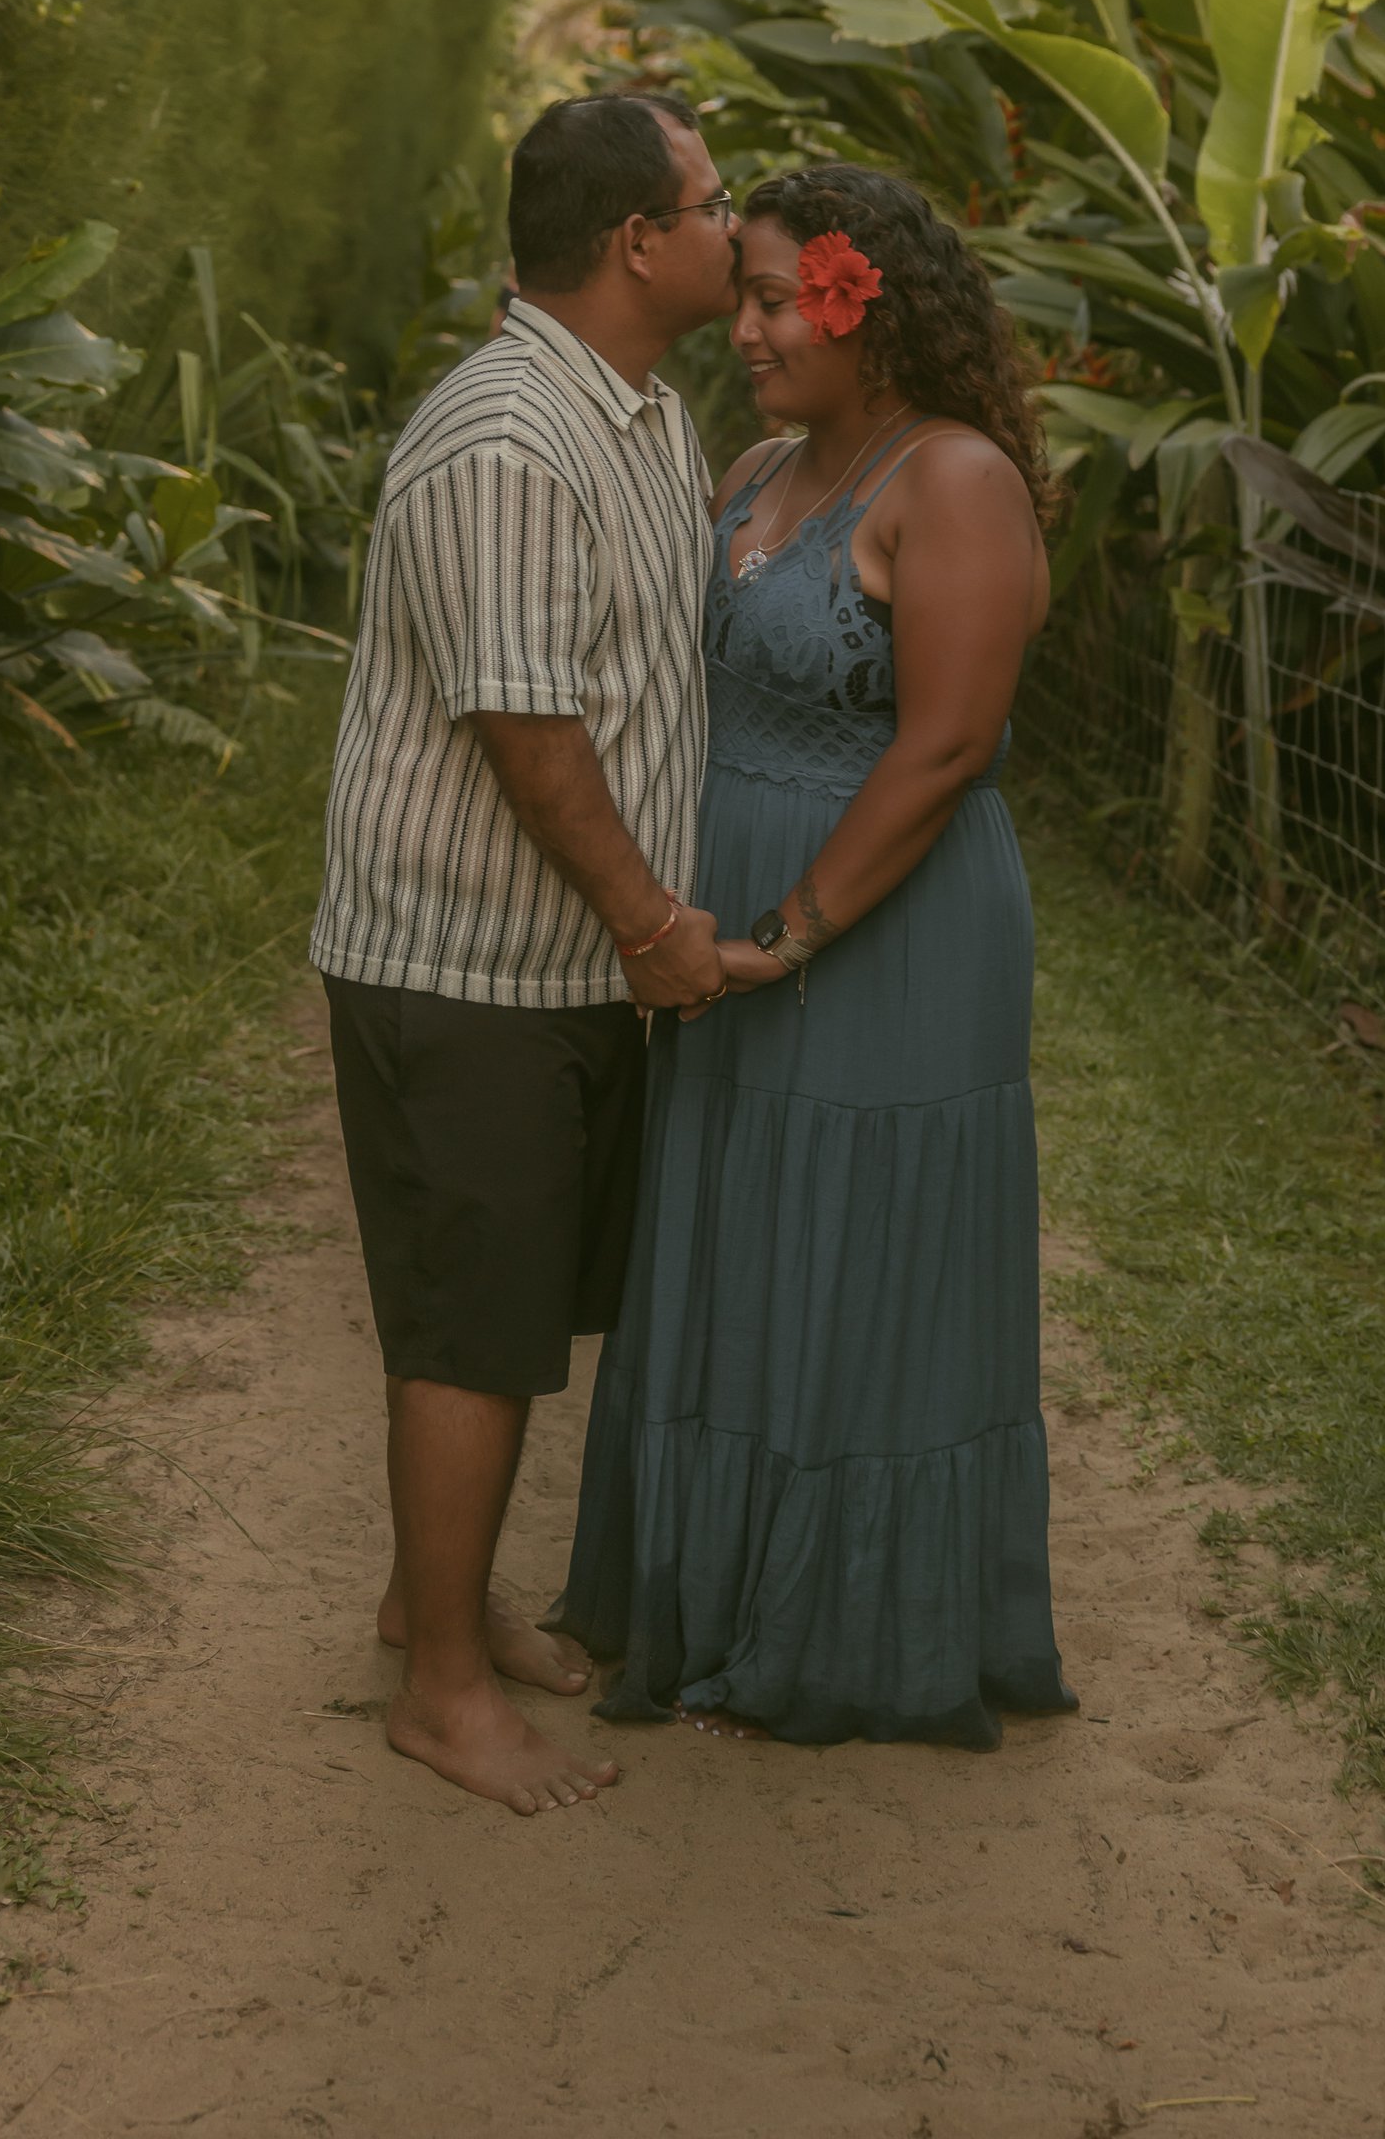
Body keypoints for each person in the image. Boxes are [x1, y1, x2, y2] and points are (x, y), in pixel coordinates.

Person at [558, 161, 1076, 1747]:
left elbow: (948, 745)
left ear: (870, 307)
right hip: (728, 931)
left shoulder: (956, 480)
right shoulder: (756, 470)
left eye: (779, 300)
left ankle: (851, 1626)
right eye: (747, 297)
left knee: (860, 1245)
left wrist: (788, 935)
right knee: (736, 1234)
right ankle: (709, 1595)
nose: (747, 329)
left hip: (883, 934)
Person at [310, 91, 739, 1815]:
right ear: (637, 241)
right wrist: (652, 922)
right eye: (713, 203)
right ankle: (440, 1693)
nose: (735, 231)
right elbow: (529, 732)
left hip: (554, 970)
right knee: (471, 1330)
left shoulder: (643, 412)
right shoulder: (503, 438)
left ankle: (432, 1599)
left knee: (509, 1305)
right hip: (466, 966)